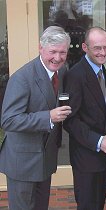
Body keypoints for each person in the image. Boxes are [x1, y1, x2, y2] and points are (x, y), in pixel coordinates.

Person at [0, 26, 72, 210]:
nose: (57, 57)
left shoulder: (62, 72)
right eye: (52, 52)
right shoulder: (22, 78)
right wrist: (47, 117)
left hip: (44, 160)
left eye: (62, 52)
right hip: (22, 162)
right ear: (41, 48)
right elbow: (8, 120)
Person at [63, 26, 106, 210]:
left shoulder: (105, 70)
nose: (103, 52)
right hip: (85, 157)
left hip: (103, 157)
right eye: (97, 48)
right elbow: (70, 120)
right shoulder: (75, 75)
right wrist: (98, 141)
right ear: (85, 47)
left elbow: (103, 112)